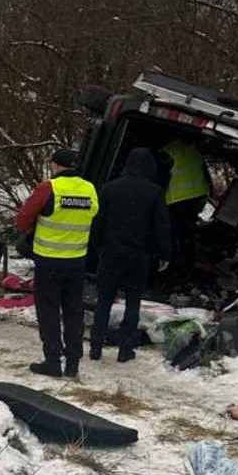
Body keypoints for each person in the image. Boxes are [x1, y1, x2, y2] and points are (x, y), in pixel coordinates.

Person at [15, 148, 99, 378]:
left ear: (55, 165)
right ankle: (73, 364)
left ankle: (52, 362)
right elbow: (93, 215)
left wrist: (34, 229)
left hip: (49, 261)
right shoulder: (89, 188)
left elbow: (22, 221)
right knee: (74, 312)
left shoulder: (48, 187)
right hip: (76, 262)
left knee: (49, 311)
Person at [89, 148, 172, 363]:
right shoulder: (155, 192)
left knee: (104, 301)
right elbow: (161, 226)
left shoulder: (109, 189)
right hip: (138, 256)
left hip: (111, 253)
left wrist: (97, 247)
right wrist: (164, 254)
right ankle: (125, 349)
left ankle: (95, 346)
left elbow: (98, 222)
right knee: (133, 303)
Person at [162, 138, 210, 276]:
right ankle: (188, 263)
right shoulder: (194, 152)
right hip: (197, 197)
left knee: (173, 232)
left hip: (177, 199)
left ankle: (173, 264)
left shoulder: (168, 151)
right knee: (186, 231)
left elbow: (161, 178)